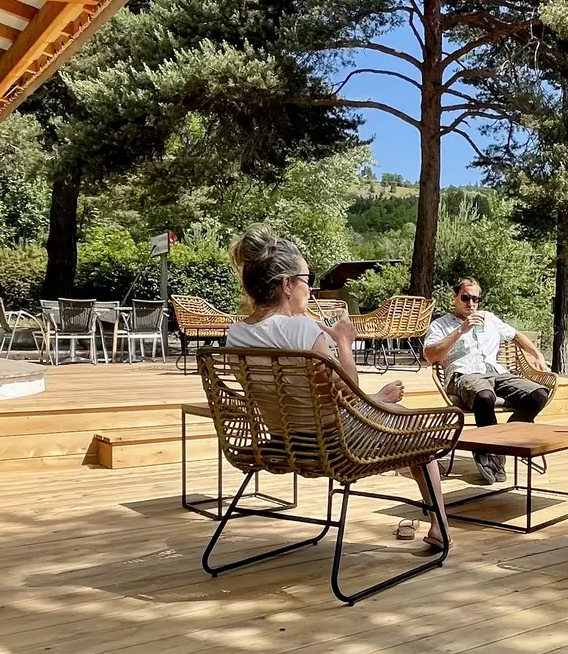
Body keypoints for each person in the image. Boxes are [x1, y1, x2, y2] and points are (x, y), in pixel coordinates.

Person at [223, 226, 449, 551]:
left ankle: (389, 414)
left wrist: (374, 399)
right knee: (419, 434)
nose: (311, 289)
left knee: (391, 410)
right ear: (287, 284)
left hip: (282, 441)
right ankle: (440, 527)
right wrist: (343, 342)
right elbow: (349, 390)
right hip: (333, 445)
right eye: (307, 279)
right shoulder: (300, 329)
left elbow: (301, 397)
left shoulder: (236, 335)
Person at [423, 277, 550, 484]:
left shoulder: (488, 318)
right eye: (465, 298)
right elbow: (430, 355)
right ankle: (488, 453)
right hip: (464, 375)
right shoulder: (441, 325)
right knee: (484, 396)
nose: (471, 304)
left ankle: (502, 442)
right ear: (455, 297)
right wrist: (460, 330)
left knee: (538, 394)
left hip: (497, 373)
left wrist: (538, 355)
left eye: (475, 299)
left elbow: (516, 335)